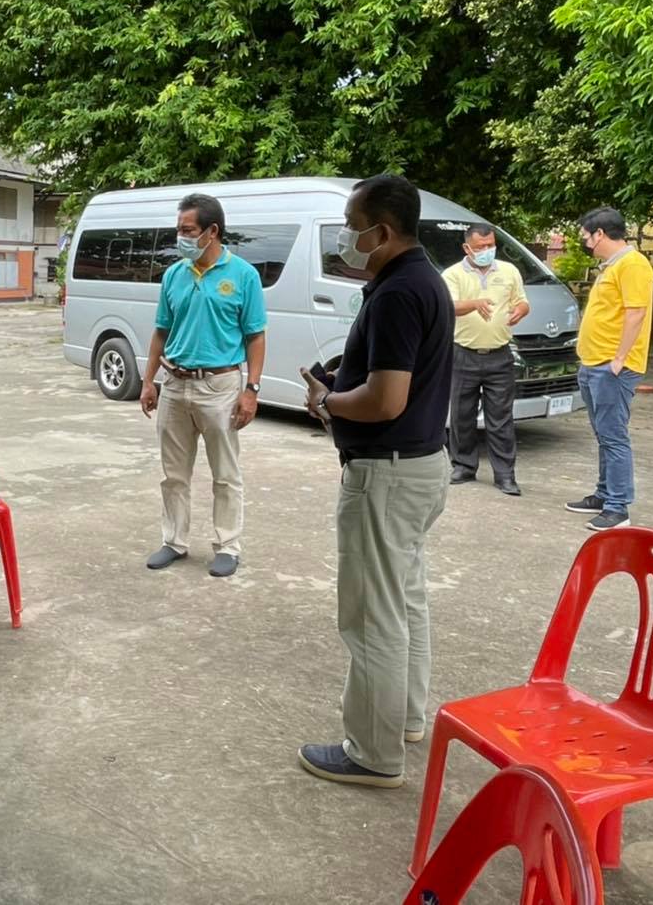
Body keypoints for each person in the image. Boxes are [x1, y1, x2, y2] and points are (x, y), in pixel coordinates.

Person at [297, 174, 453, 789]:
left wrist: (330, 401)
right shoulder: (422, 280)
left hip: (386, 475)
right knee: (404, 601)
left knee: (371, 617)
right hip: (419, 467)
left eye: (352, 226)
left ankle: (371, 752)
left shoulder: (395, 293)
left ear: (382, 231)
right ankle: (405, 720)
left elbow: (385, 400)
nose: (346, 238)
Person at [139, 193, 267, 578]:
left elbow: (255, 337)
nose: (181, 237)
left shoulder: (243, 275)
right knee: (173, 473)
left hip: (220, 385)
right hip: (174, 384)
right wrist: (149, 381)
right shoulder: (174, 274)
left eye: (187, 230)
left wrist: (252, 390)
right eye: (179, 230)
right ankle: (174, 541)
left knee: (225, 473)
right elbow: (161, 330)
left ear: (212, 231)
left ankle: (228, 546)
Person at [566, 207, 653, 531]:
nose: (586, 244)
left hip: (611, 367)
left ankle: (618, 507)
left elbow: (636, 313)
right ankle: (604, 495)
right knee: (604, 434)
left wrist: (619, 359)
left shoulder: (632, 264)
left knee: (614, 437)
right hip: (594, 363)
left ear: (600, 234)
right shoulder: (612, 266)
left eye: (586, 237)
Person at [442, 223, 529, 495]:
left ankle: (505, 475)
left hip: (499, 355)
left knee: (501, 418)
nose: (487, 251)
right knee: (461, 415)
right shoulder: (453, 275)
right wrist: (475, 303)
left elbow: (522, 301)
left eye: (491, 245)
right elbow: (449, 306)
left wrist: (521, 310)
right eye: (481, 247)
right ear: (467, 248)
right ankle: (463, 466)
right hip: (462, 353)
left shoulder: (509, 271)